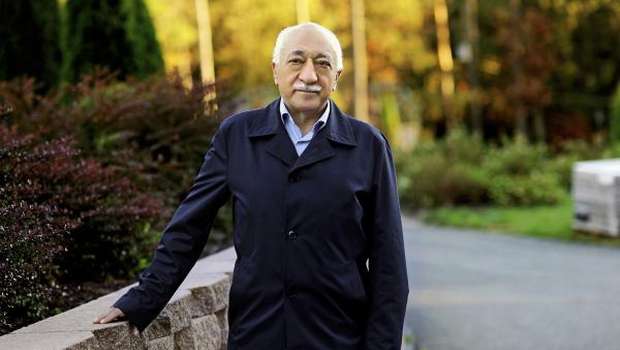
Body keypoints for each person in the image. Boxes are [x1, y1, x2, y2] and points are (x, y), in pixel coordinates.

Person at [94, 22, 409, 349]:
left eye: (323, 63)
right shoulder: (237, 136)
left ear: (338, 76)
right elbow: (190, 226)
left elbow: (390, 264)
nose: (309, 75)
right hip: (257, 334)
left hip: (339, 337)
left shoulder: (367, 145)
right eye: (296, 60)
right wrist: (141, 299)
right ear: (276, 71)